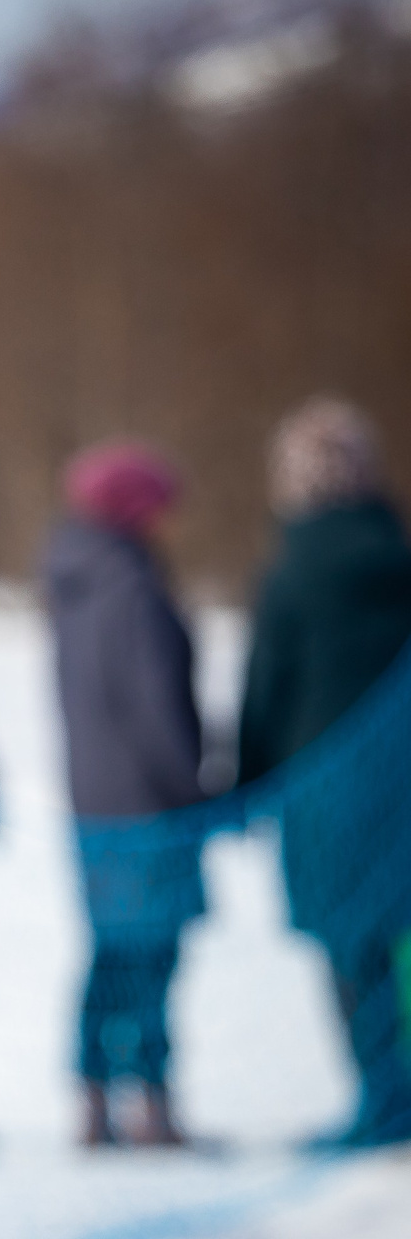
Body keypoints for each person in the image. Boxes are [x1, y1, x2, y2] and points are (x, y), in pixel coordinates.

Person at [239, 395, 411, 1149]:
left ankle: (382, 1097)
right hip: (401, 787)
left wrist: (246, 780)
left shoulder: (291, 571)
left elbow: (265, 687)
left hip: (323, 794)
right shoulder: (399, 558)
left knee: (351, 946)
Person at [43, 441, 207, 1148]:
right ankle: (152, 1102)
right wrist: (192, 786)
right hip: (151, 805)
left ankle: (96, 1096)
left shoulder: (74, 580)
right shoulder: (132, 585)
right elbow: (156, 708)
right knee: (150, 952)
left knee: (111, 948)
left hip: (94, 800)